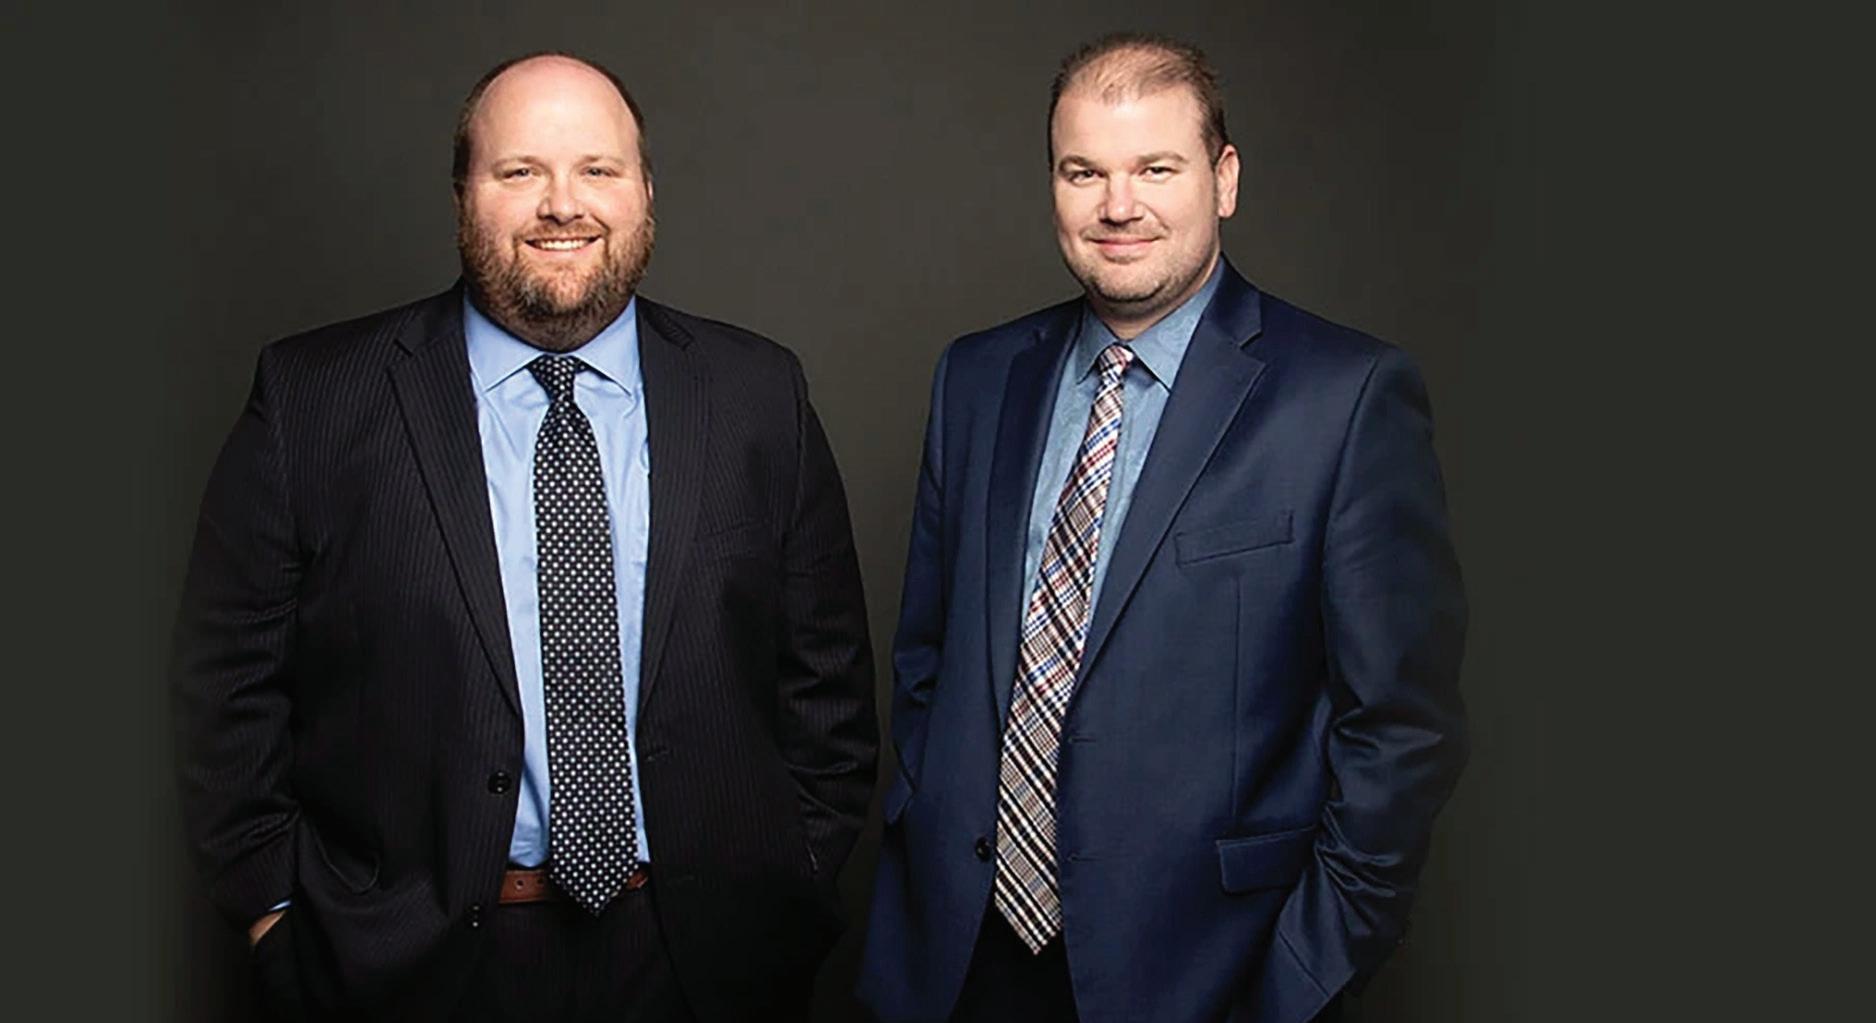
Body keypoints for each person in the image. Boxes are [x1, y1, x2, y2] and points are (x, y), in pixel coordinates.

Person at [172, 52, 876, 1022]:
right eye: (520, 171)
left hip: (703, 959)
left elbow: (828, 691)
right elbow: (226, 685)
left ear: (645, 191)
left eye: (597, 169)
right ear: (464, 194)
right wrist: (274, 913)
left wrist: (791, 882)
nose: (563, 204)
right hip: (406, 964)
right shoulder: (314, 399)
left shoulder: (757, 394)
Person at [857, 33, 1467, 1023]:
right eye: (1083, 172)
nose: (1118, 205)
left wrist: (1297, 978)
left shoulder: (1344, 398)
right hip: (961, 961)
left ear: (1223, 179)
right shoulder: (976, 377)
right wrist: (922, 819)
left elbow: (1400, 730)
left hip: (1208, 976)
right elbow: (927, 657)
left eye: (1155, 168)